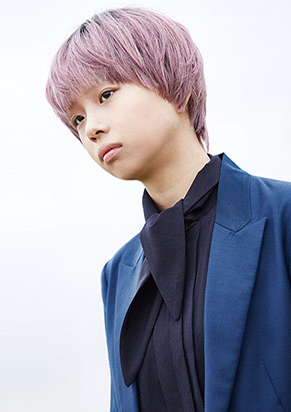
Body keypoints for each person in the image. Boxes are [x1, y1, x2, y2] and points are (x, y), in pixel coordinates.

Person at [44, 7, 291, 412]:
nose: (91, 128)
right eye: (78, 119)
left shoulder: (282, 216)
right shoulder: (117, 273)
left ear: (173, 85)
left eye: (106, 95)